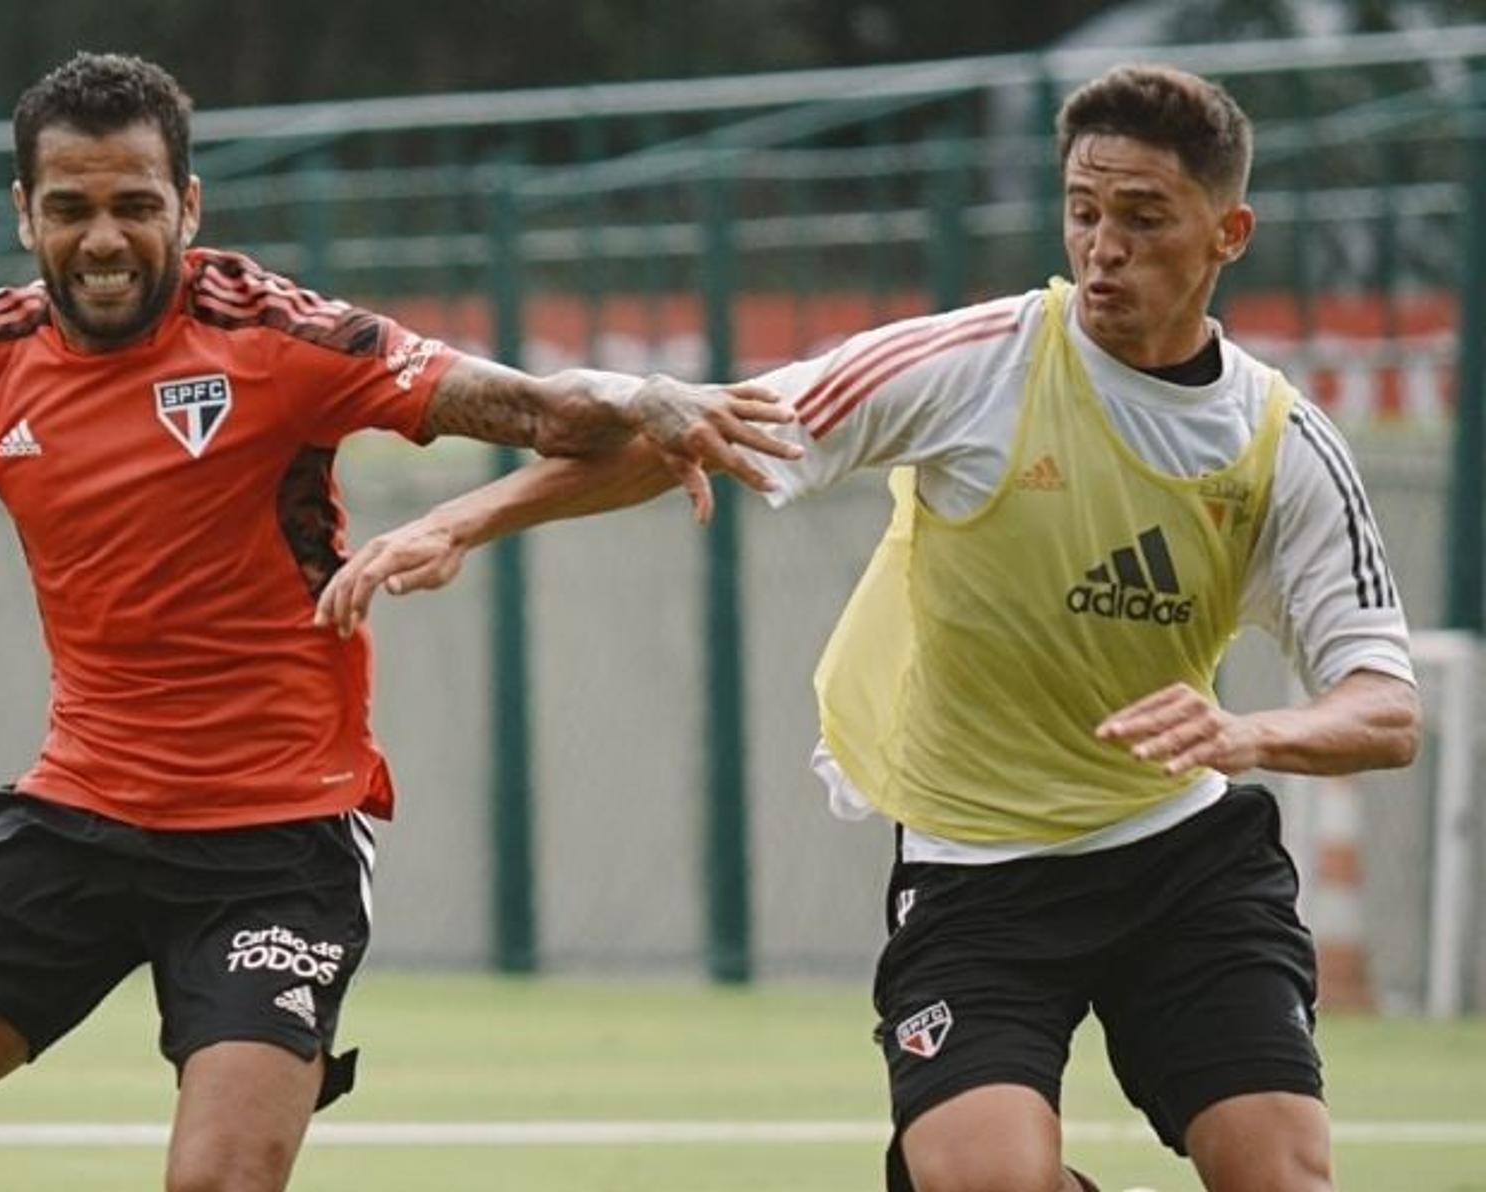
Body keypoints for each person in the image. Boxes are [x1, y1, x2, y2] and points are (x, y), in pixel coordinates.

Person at [0, 52, 796, 1192]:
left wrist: (642, 394)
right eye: (72, 209)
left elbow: (545, 412)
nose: (104, 239)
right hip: (78, 811)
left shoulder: (281, 338)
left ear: (188, 205)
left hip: (277, 842)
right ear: (22, 214)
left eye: (137, 206)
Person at [314, 65, 1421, 1192]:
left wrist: (1249, 734)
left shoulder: (1282, 442)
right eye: (1084, 211)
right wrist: (466, 517)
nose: (1104, 247)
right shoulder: (972, 365)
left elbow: (1386, 709)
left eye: (1144, 219)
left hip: (1181, 863)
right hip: (976, 870)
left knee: (1281, 1174)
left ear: (1229, 232)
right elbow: (703, 433)